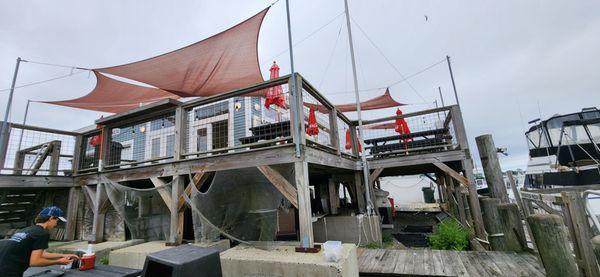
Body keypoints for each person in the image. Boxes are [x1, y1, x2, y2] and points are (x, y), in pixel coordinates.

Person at [0, 206, 79, 277]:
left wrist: (62, 255)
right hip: (9, 272)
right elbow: (35, 262)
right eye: (57, 221)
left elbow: (41, 254)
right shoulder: (42, 233)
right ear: (51, 218)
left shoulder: (26, 230)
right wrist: (59, 261)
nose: (56, 224)